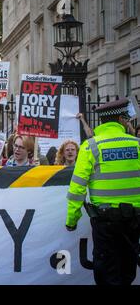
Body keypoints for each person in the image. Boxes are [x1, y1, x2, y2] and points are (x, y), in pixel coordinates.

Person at [66, 98, 140, 285]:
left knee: (107, 273)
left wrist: (71, 220)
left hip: (105, 222)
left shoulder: (91, 146)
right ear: (122, 120)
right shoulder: (137, 145)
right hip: (134, 220)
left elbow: (77, 188)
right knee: (127, 272)